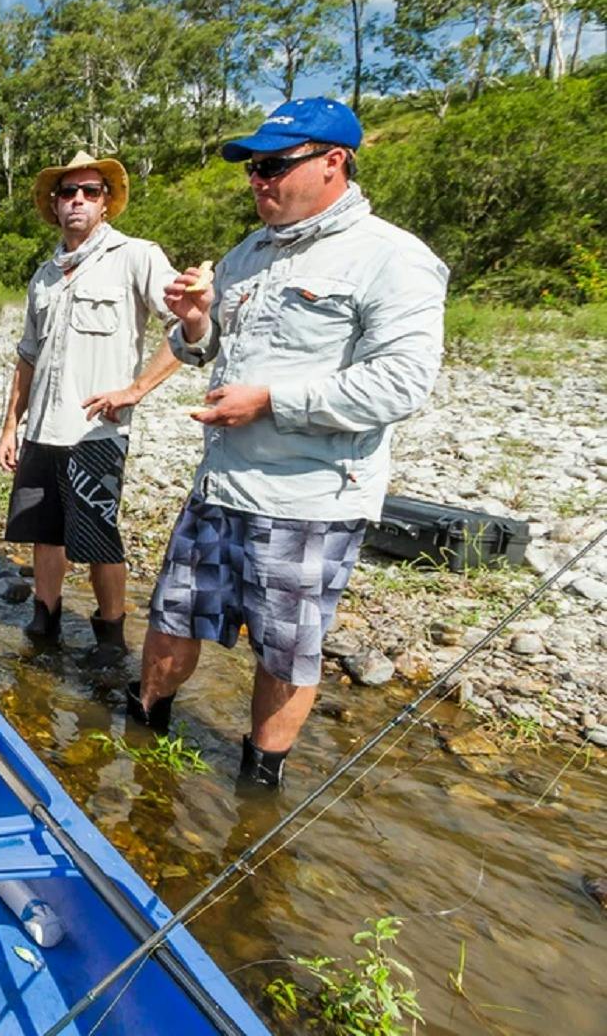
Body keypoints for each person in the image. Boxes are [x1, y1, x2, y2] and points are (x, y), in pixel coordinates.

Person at [134, 98, 448, 789]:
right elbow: (204, 350)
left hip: (309, 499)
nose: (257, 182)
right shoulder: (248, 253)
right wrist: (192, 324)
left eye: (273, 166)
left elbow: (401, 385)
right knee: (171, 616)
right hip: (218, 487)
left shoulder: (393, 259)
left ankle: (257, 783)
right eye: (251, 169)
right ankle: (143, 727)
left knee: (285, 652)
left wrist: (272, 400)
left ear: (333, 162)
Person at [0, 151, 184, 648]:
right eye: (68, 192)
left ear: (105, 203)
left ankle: (110, 634)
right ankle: (46, 617)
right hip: (42, 429)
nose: (77, 199)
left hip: (96, 430)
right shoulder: (44, 275)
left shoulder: (137, 256)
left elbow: (186, 325)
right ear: (54, 205)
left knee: (100, 536)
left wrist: (136, 389)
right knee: (44, 532)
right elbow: (27, 358)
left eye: (90, 192)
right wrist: (11, 425)